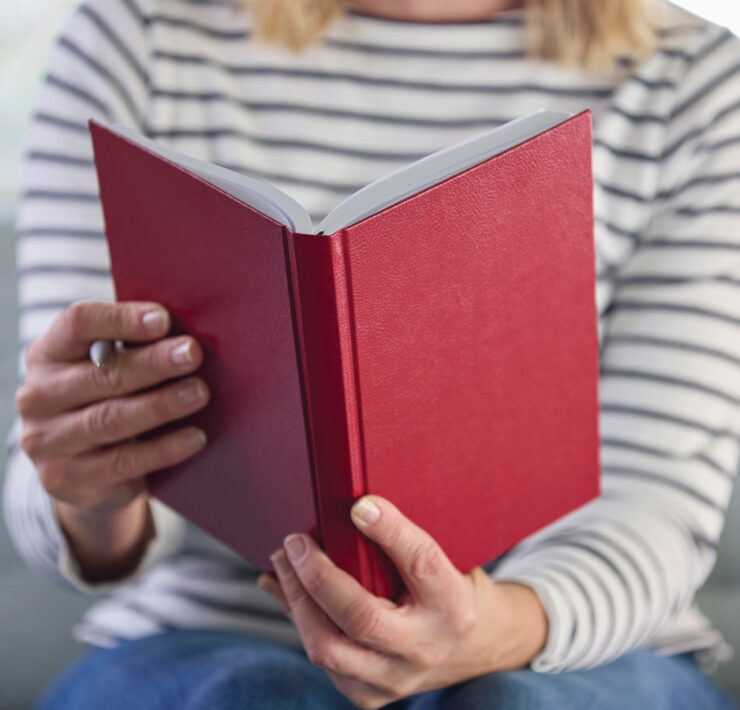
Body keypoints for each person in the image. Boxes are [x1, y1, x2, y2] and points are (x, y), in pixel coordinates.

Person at [4, 0, 740, 707]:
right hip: (207, 637)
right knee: (247, 700)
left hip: (572, 643)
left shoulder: (694, 80)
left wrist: (500, 629)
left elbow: (657, 498)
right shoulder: (138, 35)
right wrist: (91, 490)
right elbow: (57, 475)